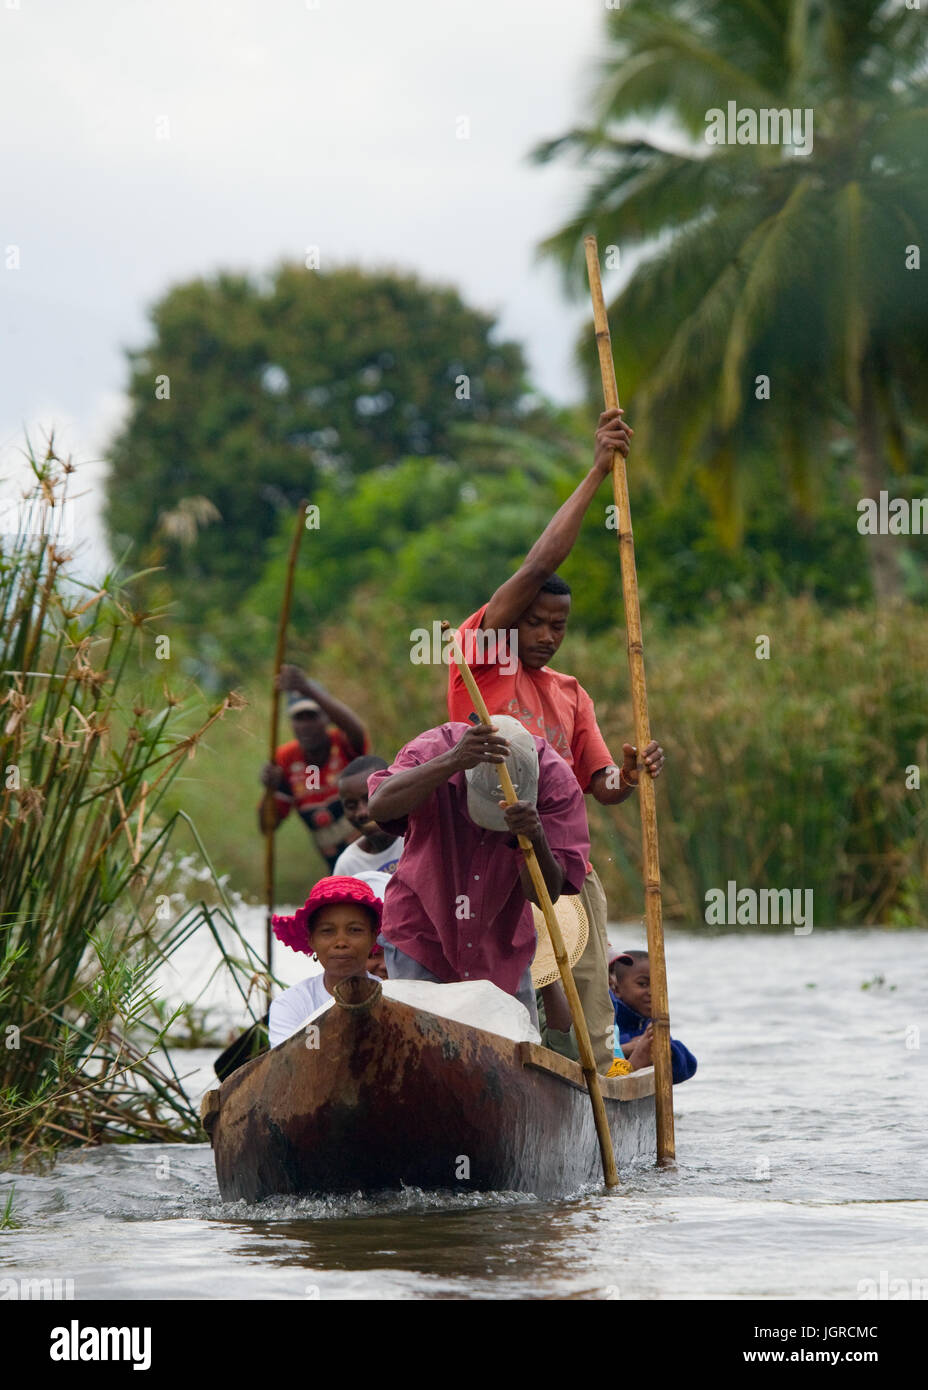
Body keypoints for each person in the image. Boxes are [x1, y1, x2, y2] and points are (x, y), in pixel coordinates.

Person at [447, 408, 664, 1073]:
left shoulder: (570, 693)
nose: (545, 635)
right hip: (491, 858)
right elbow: (542, 560)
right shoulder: (480, 656)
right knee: (504, 1003)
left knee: (588, 1010)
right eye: (535, 622)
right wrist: (599, 469)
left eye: (558, 626)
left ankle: (598, 1072)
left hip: (565, 869)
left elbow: (599, 788)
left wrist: (626, 779)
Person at [366, 716, 589, 1025]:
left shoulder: (557, 784)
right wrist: (452, 760)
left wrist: (535, 837)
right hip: (420, 935)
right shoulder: (437, 747)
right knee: (423, 1052)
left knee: (514, 1056)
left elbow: (543, 894)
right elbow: (379, 805)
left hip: (502, 948)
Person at [259, 664, 369, 871]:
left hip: (374, 858)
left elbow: (357, 731)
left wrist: (307, 689)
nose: (306, 725)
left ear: (326, 718)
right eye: (299, 718)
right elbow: (267, 826)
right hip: (338, 869)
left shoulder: (343, 744)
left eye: (312, 716)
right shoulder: (285, 760)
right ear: (291, 723)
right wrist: (269, 789)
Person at [268, 876, 383, 1048]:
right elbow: (286, 1068)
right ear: (311, 939)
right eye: (327, 931)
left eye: (354, 930)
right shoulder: (292, 1005)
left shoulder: (394, 999)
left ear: (373, 937)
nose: (341, 942)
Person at [610, 950, 696, 1083]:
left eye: (657, 985)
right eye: (642, 984)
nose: (652, 992)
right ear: (616, 989)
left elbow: (688, 1068)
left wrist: (666, 1049)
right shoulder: (609, 1022)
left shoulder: (651, 1025)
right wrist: (629, 1048)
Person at [333, 756, 404, 877]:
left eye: (370, 798)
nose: (362, 812)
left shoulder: (422, 836)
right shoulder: (348, 867)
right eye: (351, 805)